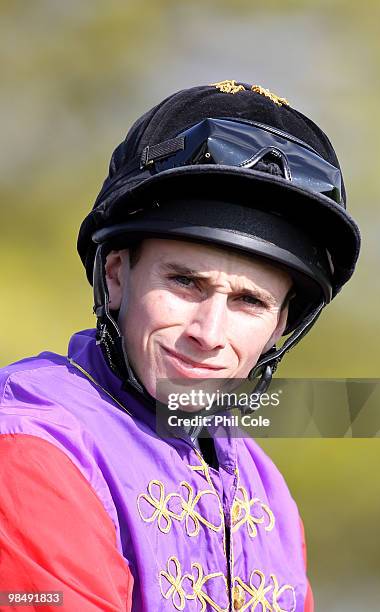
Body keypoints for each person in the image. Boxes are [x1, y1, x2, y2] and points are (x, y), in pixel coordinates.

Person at [0, 80, 360, 611]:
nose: (209, 334)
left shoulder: (262, 486)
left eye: (249, 301)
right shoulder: (32, 447)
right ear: (118, 275)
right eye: (185, 282)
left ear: (280, 325)